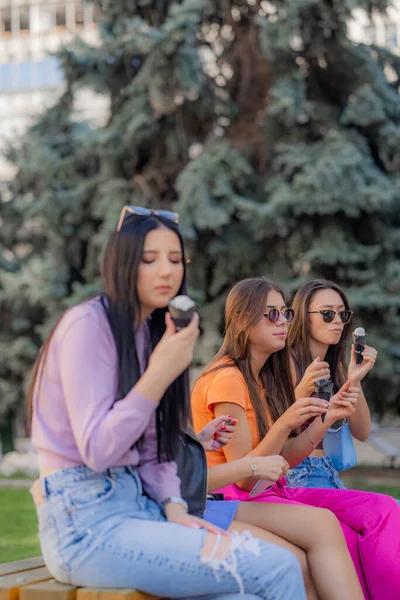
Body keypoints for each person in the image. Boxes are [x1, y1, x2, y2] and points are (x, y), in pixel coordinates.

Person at [28, 205, 309, 600]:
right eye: (149, 259)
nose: (166, 271)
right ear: (122, 263)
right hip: (86, 524)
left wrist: (176, 508)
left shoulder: (148, 334)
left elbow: (151, 450)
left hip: (141, 509)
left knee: (245, 595)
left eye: (175, 259)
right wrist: (159, 373)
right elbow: (97, 450)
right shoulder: (87, 326)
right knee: (279, 567)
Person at [191, 276, 400, 600]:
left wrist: (323, 421)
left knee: (385, 506)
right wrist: (286, 421)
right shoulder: (228, 378)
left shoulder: (259, 376)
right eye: (271, 314)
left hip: (274, 487)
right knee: (335, 528)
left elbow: (282, 458)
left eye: (285, 313)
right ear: (244, 320)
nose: (283, 322)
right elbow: (247, 477)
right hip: (231, 498)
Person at [287, 279, 376, 490]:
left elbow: (362, 432)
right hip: (297, 473)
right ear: (303, 317)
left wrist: (354, 379)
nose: (337, 321)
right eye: (327, 314)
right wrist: (303, 389)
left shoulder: (334, 366)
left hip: (327, 470)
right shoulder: (287, 363)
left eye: (343, 314)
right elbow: (275, 424)